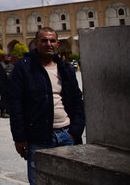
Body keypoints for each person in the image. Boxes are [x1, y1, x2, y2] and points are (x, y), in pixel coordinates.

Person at [8, 27, 85, 185]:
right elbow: (15, 104)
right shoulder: (24, 68)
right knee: (40, 181)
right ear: (36, 43)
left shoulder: (65, 69)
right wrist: (20, 138)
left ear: (57, 44)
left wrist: (75, 131)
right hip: (39, 138)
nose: (48, 44)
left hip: (66, 134)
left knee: (68, 180)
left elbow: (77, 100)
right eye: (44, 40)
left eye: (52, 41)